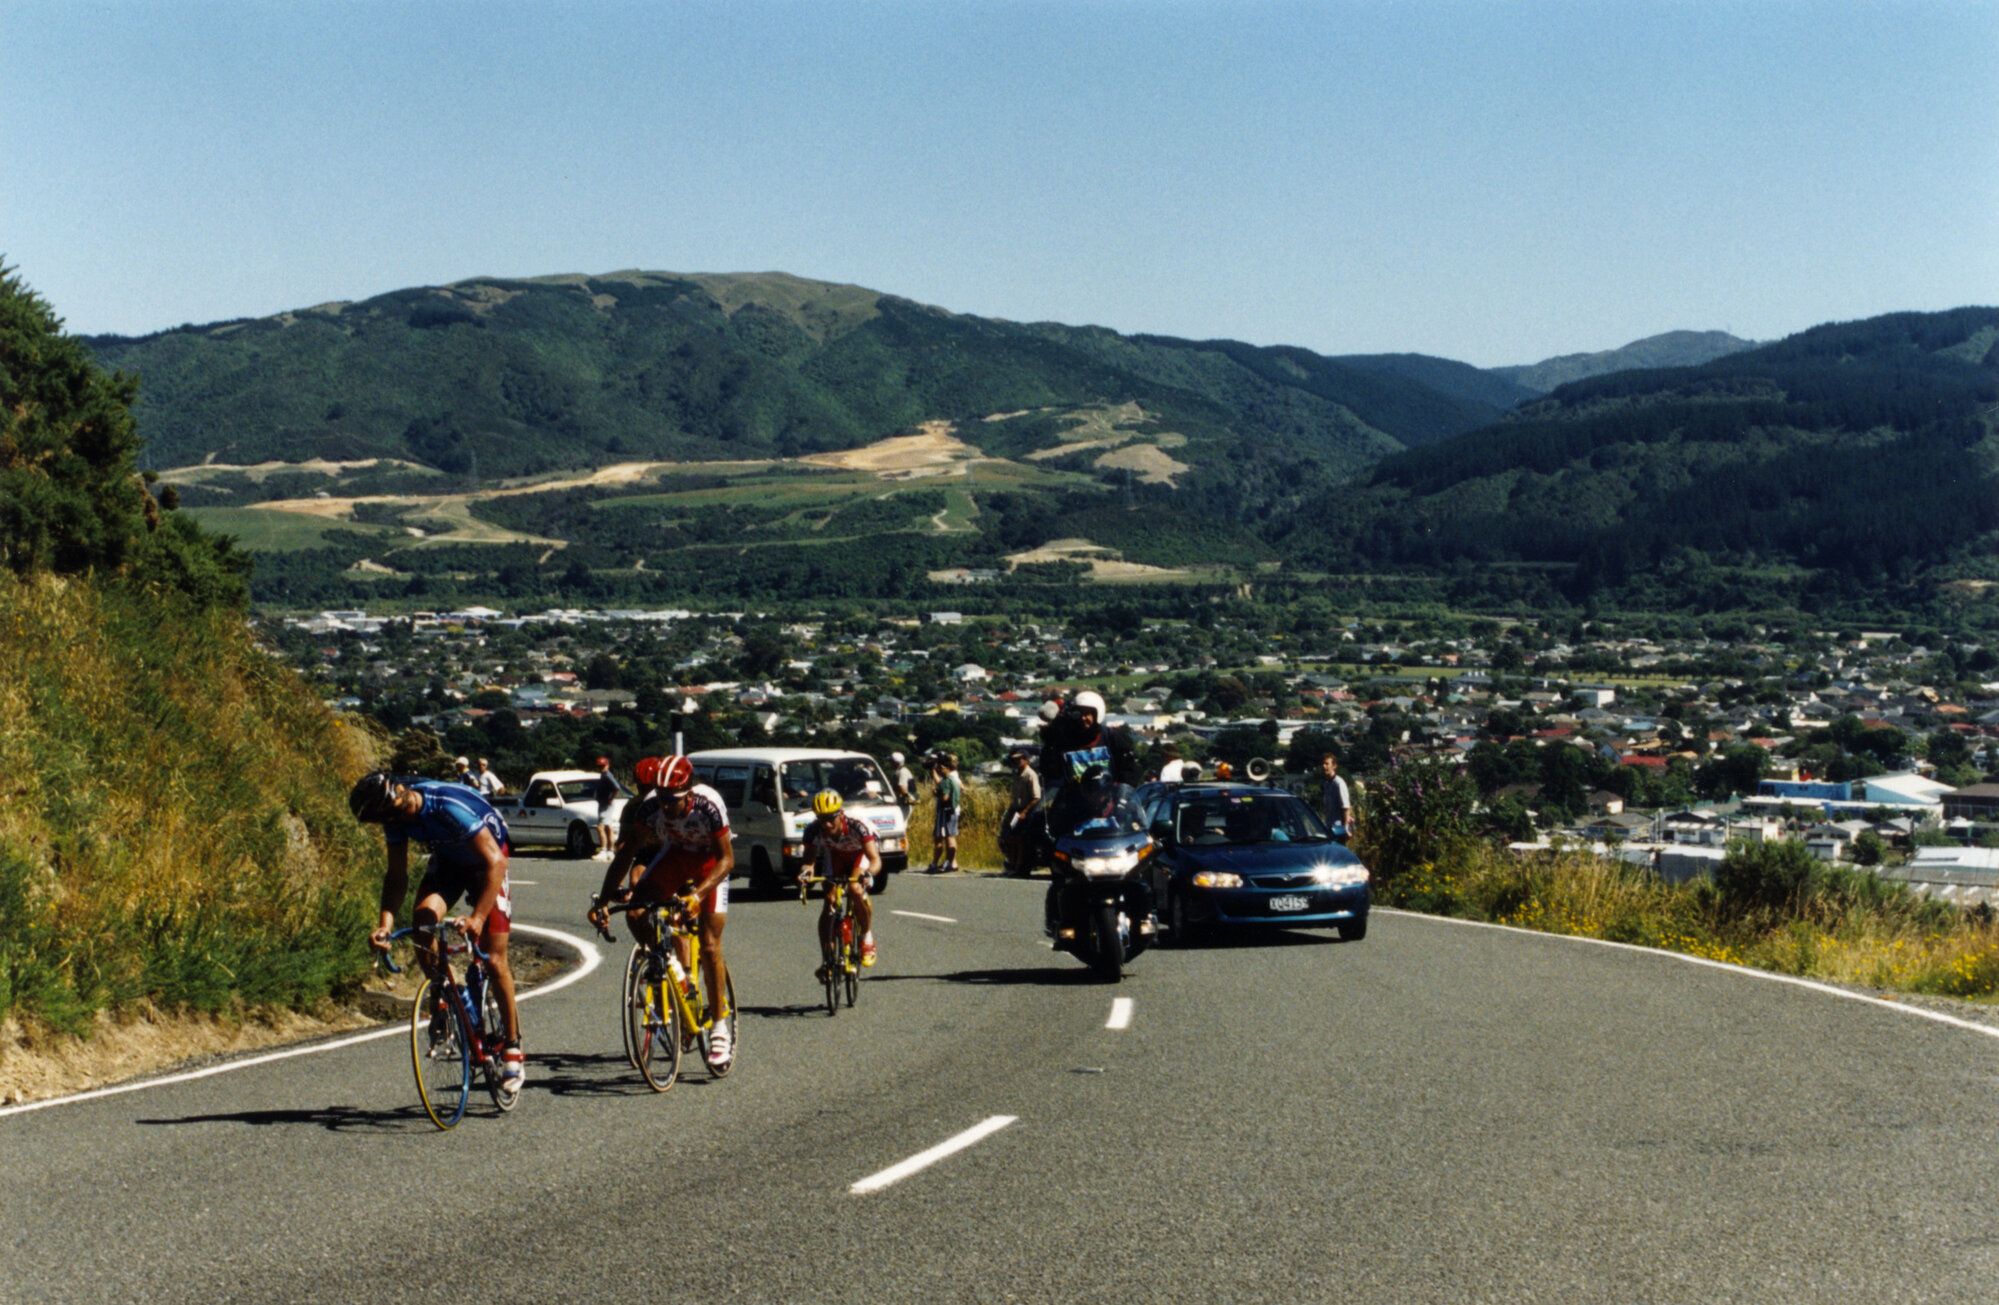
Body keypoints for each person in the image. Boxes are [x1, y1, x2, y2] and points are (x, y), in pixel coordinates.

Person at [352, 770, 525, 1096]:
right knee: (422, 920)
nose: (402, 818)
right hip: (450, 861)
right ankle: (446, 994)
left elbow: (496, 863)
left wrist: (477, 918)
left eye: (402, 810)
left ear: (399, 794)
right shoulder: (393, 817)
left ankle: (512, 1046)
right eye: (393, 818)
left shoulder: (445, 806)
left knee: (494, 958)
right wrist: (385, 924)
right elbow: (397, 875)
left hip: (488, 859)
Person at [588, 754, 737, 1071]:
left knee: (710, 945)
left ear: (689, 793)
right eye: (662, 798)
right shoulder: (650, 806)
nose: (665, 806)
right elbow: (626, 854)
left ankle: (719, 1028)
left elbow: (727, 860)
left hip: (711, 864)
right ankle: (672, 968)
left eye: (673, 800)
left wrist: (698, 895)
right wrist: (603, 900)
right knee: (635, 912)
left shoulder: (709, 805)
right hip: (677, 856)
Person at [801, 788, 880, 973]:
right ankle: (827, 960)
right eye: (822, 819)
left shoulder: (857, 825)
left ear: (841, 814)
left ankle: (866, 937)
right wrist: (805, 873)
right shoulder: (813, 829)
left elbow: (875, 859)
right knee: (829, 900)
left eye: (831, 818)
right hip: (836, 854)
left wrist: (869, 874)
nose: (827, 824)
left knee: (855, 889)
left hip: (860, 852)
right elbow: (808, 862)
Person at [1000, 749, 1042, 876]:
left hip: (1026, 810)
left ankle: (1019, 867)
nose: (1017, 761)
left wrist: (1025, 812)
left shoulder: (1030, 774)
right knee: (1011, 838)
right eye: (1015, 759)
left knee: (1020, 840)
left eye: (1020, 759)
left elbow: (1036, 797)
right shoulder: (1017, 774)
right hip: (1016, 810)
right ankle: (1012, 865)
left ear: (1026, 760)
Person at [928, 753, 963, 873]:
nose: (939, 770)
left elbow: (944, 797)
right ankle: (951, 862)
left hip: (945, 811)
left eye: (941, 767)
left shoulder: (947, 780)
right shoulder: (954, 779)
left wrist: (937, 793)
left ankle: (936, 863)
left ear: (947, 767)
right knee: (951, 836)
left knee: (940, 837)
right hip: (953, 810)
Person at [592, 756, 624, 859]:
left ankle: (603, 850)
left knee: (600, 827)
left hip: (605, 804)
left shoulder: (607, 776)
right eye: (599, 766)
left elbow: (616, 787)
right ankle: (610, 851)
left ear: (607, 765)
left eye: (602, 766)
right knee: (608, 827)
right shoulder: (604, 775)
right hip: (604, 803)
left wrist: (611, 798)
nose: (601, 768)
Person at [1320, 752, 1353, 843]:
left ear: (1334, 766)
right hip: (1329, 827)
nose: (1324, 766)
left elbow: (1346, 807)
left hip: (1338, 829)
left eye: (1327, 764)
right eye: (1323, 764)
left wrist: (1345, 828)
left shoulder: (1339, 783)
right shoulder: (1326, 784)